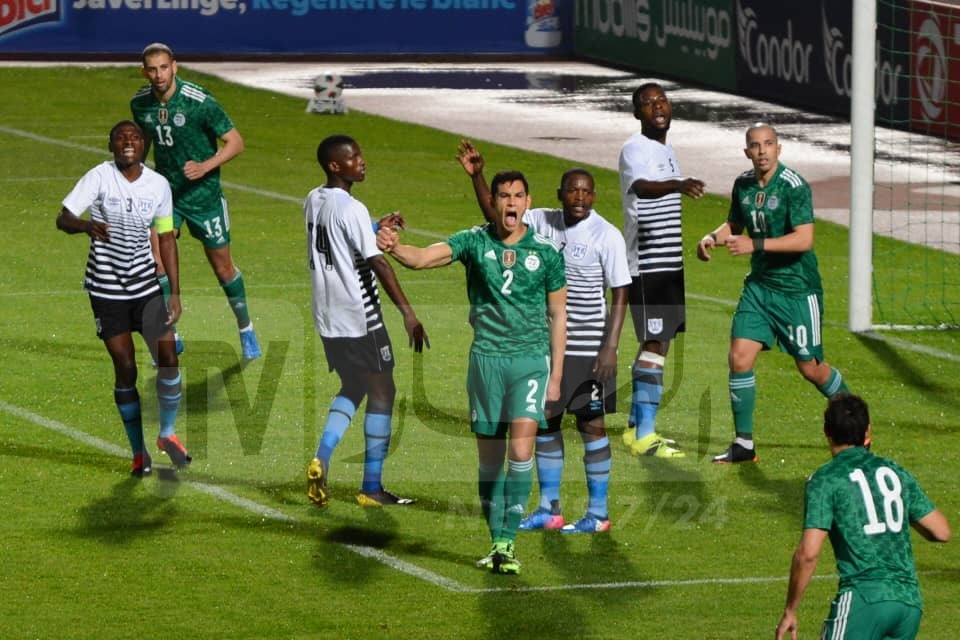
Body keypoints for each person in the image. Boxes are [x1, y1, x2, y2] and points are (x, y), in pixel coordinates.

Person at [377, 166, 567, 574]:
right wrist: (395, 248)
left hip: (530, 361)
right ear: (493, 202)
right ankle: (496, 541)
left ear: (528, 203)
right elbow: (423, 259)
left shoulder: (548, 253)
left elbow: (558, 314)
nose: (511, 202)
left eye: (518, 195)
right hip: (486, 361)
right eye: (504, 195)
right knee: (490, 461)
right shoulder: (473, 242)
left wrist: (555, 375)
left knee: (521, 451)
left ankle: (508, 543)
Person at [458, 140, 629, 534]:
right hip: (547, 346)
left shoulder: (607, 235)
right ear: (560, 194)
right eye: (572, 191)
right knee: (547, 424)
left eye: (586, 191)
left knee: (592, 425)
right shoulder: (542, 221)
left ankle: (598, 513)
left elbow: (621, 292)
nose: (579, 198)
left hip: (589, 347)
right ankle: (550, 509)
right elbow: (499, 215)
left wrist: (610, 347)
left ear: (594, 196)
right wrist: (478, 176)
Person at [697, 123, 851, 464]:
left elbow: (804, 239)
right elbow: (734, 224)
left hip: (796, 290)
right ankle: (744, 444)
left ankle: (857, 426)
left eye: (768, 144)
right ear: (747, 152)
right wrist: (711, 237)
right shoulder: (743, 185)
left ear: (778, 149)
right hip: (760, 288)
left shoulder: (794, 186)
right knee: (739, 358)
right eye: (755, 145)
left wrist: (755, 244)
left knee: (811, 369)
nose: (762, 150)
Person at [56, 120, 190, 476]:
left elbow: (166, 238)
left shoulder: (158, 184)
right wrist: (86, 226)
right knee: (126, 367)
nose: (127, 142)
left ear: (144, 145)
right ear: (111, 145)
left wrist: (174, 292)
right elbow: (63, 218)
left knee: (168, 358)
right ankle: (138, 452)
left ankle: (167, 433)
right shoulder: (99, 177)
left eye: (134, 137)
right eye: (120, 138)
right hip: (107, 290)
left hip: (146, 287)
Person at [304, 134, 428, 509]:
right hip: (360, 316)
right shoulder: (352, 208)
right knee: (383, 391)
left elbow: (337, 233)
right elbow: (379, 263)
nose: (362, 161)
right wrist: (408, 313)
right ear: (334, 165)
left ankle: (321, 458)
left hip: (327, 317)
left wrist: (374, 225)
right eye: (353, 157)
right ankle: (371, 487)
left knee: (354, 384)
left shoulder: (313, 199)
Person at [775, 393, 950, 640]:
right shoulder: (895, 473)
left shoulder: (826, 479)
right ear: (867, 431)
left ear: (826, 431)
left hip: (864, 600)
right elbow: (941, 531)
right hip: (909, 605)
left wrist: (790, 610)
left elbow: (808, 553)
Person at [131, 42, 261, 361]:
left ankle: (246, 328)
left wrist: (205, 166)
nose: (159, 75)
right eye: (152, 69)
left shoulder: (198, 101)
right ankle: (171, 333)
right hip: (167, 196)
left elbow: (235, 142)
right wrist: (137, 179)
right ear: (144, 72)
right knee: (157, 261)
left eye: (164, 67)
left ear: (175, 66)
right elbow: (146, 139)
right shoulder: (140, 104)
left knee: (223, 268)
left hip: (204, 197)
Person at [618, 82, 705, 458]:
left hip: (668, 263)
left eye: (662, 100)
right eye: (648, 103)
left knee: (659, 343)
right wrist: (679, 184)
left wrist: (677, 184)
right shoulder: (634, 148)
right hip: (647, 264)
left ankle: (636, 427)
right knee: (655, 342)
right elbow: (641, 187)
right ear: (637, 113)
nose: (657, 107)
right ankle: (646, 435)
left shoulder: (667, 150)